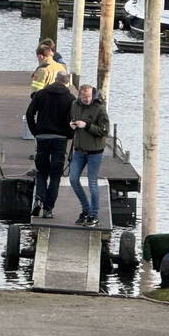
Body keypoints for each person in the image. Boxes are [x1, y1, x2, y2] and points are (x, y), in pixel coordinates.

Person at [25, 70, 75, 218]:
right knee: (55, 176)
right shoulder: (70, 98)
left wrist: (36, 131)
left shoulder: (41, 94)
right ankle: (48, 209)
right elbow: (72, 120)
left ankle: (39, 199)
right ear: (67, 82)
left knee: (41, 173)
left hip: (43, 137)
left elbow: (29, 114)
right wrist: (69, 135)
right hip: (60, 139)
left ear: (55, 79)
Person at [68, 84, 110, 227]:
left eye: (89, 96)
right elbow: (72, 119)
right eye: (84, 96)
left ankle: (94, 215)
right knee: (73, 179)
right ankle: (86, 209)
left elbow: (104, 130)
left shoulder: (100, 108)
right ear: (79, 95)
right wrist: (72, 125)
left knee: (92, 183)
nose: (86, 99)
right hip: (79, 150)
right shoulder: (74, 105)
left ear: (92, 95)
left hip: (95, 152)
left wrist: (86, 125)